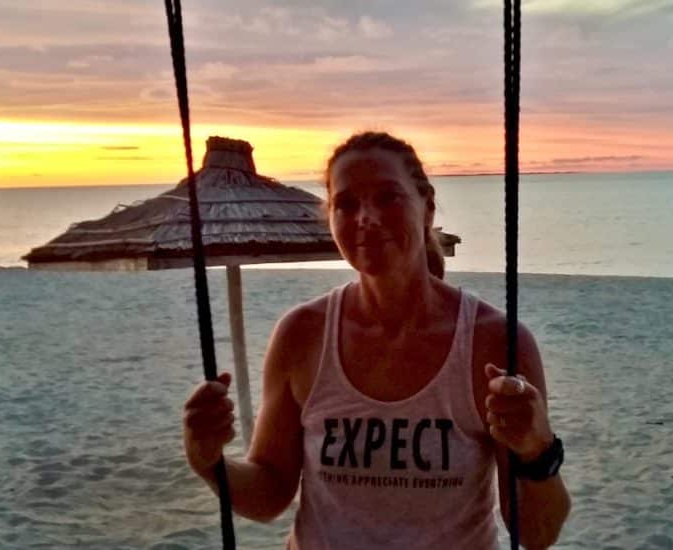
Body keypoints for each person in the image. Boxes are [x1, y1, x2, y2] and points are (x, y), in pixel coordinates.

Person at [183, 131, 571, 549]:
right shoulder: (302, 334)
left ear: (427, 208)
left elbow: (536, 533)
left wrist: (537, 449)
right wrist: (208, 461)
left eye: (388, 197)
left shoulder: (494, 342)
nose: (366, 217)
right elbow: (270, 490)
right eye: (346, 204)